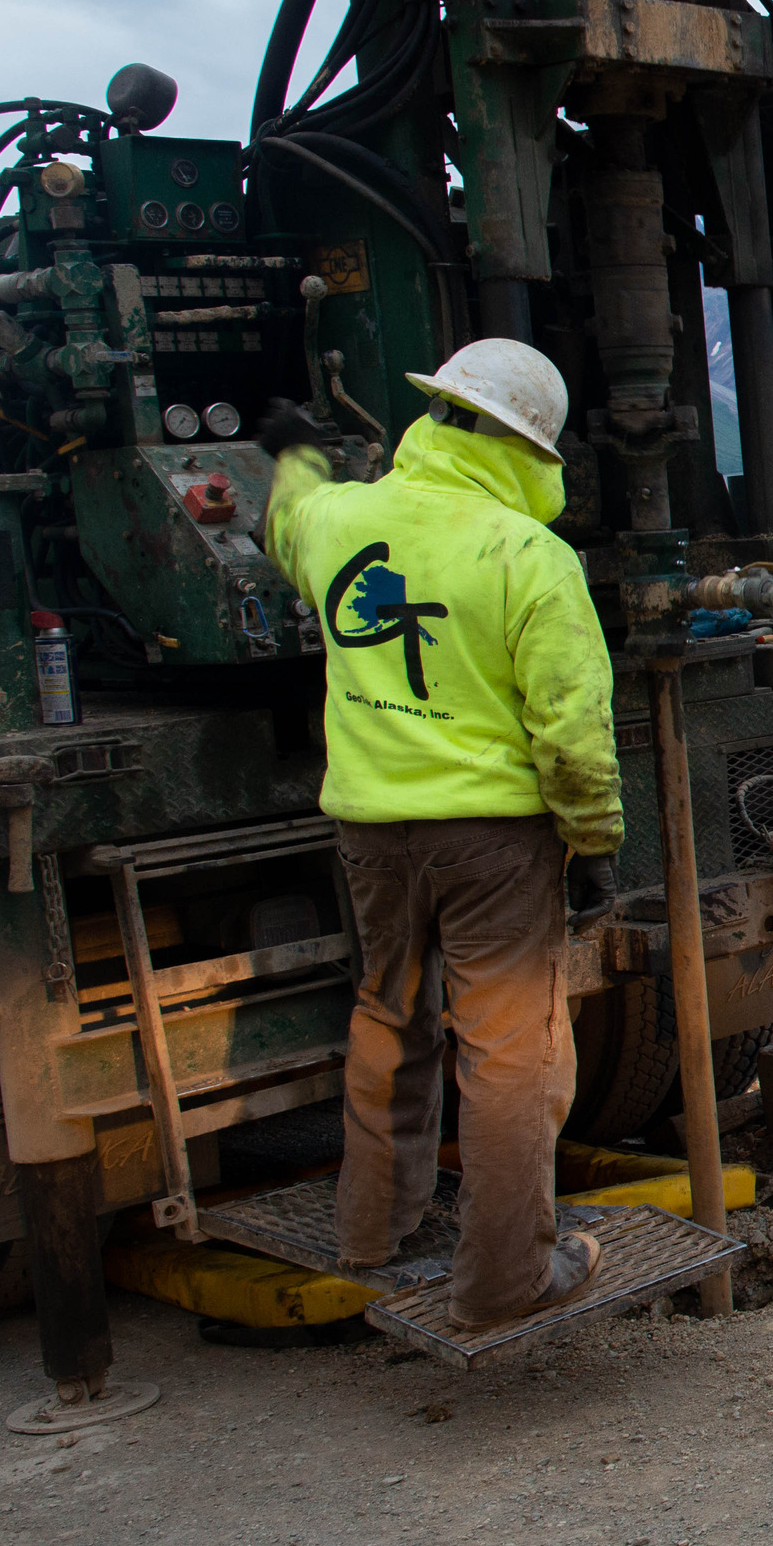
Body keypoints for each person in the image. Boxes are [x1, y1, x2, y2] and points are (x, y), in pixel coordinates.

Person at [258, 339, 623, 1331]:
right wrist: (593, 845)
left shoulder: (338, 518)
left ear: (441, 415)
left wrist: (294, 448)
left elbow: (286, 518)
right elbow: (574, 737)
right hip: (492, 842)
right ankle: (504, 1277)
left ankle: (370, 1230)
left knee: (390, 1013)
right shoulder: (528, 556)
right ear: (529, 447)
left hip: (370, 830)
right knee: (513, 1055)